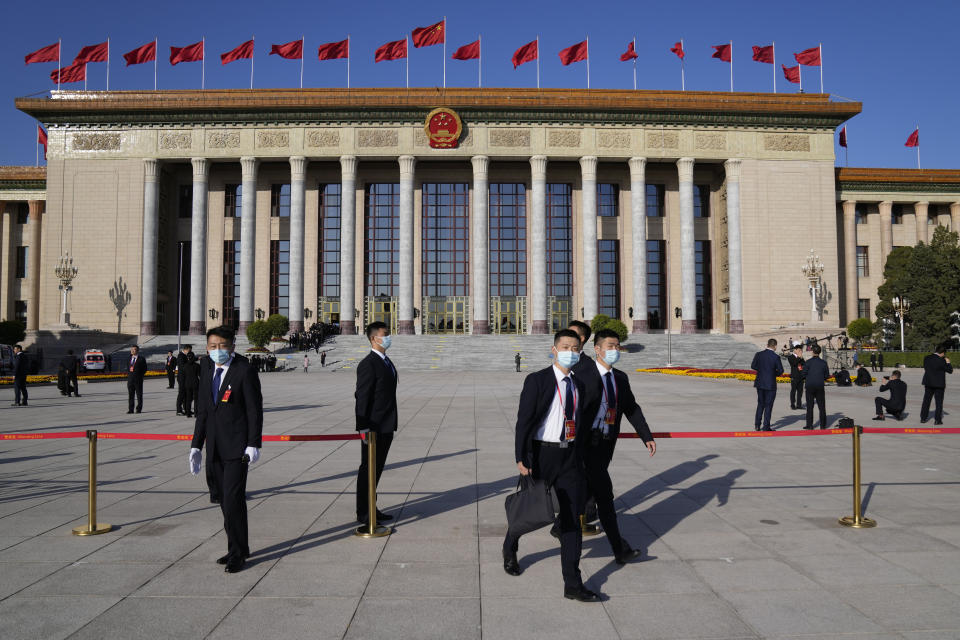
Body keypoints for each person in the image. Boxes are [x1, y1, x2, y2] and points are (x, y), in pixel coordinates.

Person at [502, 329, 601, 603]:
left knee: (571, 518)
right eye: (565, 347)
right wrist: (521, 457)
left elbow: (581, 423)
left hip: (569, 458)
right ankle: (511, 544)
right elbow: (524, 420)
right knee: (532, 509)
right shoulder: (538, 380)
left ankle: (572, 583)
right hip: (541, 455)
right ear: (554, 349)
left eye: (575, 348)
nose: (570, 352)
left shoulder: (579, 384)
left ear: (580, 352)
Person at [576, 328, 656, 565]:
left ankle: (561, 528)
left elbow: (631, 408)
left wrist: (646, 435)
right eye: (610, 346)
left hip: (604, 444)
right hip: (582, 446)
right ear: (597, 349)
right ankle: (619, 548)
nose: (614, 350)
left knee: (586, 494)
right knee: (603, 496)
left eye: (617, 346)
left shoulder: (620, 378)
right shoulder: (581, 373)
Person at [189, 326, 263, 573]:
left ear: (232, 346)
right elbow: (203, 410)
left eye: (222, 345)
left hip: (237, 448)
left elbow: (254, 410)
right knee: (223, 500)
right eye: (212, 346)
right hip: (215, 448)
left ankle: (238, 553)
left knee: (233, 500)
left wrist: (254, 443)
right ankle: (237, 547)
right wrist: (196, 446)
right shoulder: (206, 367)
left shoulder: (244, 370)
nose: (217, 350)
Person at [354, 321, 398, 526]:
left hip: (386, 425)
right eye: (385, 334)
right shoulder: (368, 364)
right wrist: (362, 426)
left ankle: (372, 506)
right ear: (374, 338)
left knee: (377, 468)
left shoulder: (386, 361)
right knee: (368, 469)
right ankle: (364, 512)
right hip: (373, 427)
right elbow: (362, 396)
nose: (388, 337)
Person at [751, 338, 783, 431]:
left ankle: (757, 425)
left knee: (760, 404)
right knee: (768, 405)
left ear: (767, 345)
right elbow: (780, 371)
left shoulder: (759, 354)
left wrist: (761, 370)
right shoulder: (775, 357)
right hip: (770, 384)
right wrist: (773, 374)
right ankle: (766, 426)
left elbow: (753, 366)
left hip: (760, 383)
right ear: (775, 346)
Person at [920, 344, 953, 425]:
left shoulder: (927, 358)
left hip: (928, 382)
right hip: (939, 384)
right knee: (938, 403)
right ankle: (937, 420)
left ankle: (923, 418)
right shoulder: (942, 360)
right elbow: (950, 371)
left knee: (926, 401)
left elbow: (926, 368)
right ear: (942, 353)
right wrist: (948, 363)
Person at [801, 344, 829, 429]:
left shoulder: (808, 362)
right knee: (822, 407)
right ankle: (823, 425)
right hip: (820, 386)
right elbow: (827, 376)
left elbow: (803, 374)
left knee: (809, 406)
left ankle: (809, 425)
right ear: (820, 352)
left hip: (810, 386)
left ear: (812, 352)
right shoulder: (824, 363)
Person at [127, 345, 147, 414]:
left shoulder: (141, 359)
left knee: (139, 395)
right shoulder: (129, 358)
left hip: (138, 380)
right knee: (131, 395)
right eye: (131, 349)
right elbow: (128, 368)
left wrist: (140, 376)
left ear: (137, 351)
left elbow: (145, 369)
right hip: (130, 380)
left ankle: (139, 409)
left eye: (134, 349)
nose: (132, 350)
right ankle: (131, 409)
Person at [182, 349, 200, 418]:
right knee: (196, 399)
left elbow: (183, 376)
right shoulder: (197, 365)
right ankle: (196, 413)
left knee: (188, 399)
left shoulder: (185, 366)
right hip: (195, 383)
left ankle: (188, 413)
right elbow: (200, 375)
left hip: (187, 384)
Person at [786, 344, 805, 410]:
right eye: (799, 350)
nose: (800, 351)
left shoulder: (801, 357)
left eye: (801, 350)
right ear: (795, 350)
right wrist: (799, 357)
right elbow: (794, 363)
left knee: (800, 391)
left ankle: (799, 404)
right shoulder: (790, 357)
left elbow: (804, 365)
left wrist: (801, 358)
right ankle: (792, 404)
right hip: (794, 376)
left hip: (801, 376)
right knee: (793, 391)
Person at [176, 345, 193, 415]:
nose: (190, 352)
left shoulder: (185, 356)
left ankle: (187, 409)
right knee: (181, 393)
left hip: (186, 377)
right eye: (189, 350)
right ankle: (179, 410)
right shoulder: (180, 356)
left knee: (187, 394)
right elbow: (183, 366)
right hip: (182, 378)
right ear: (186, 349)